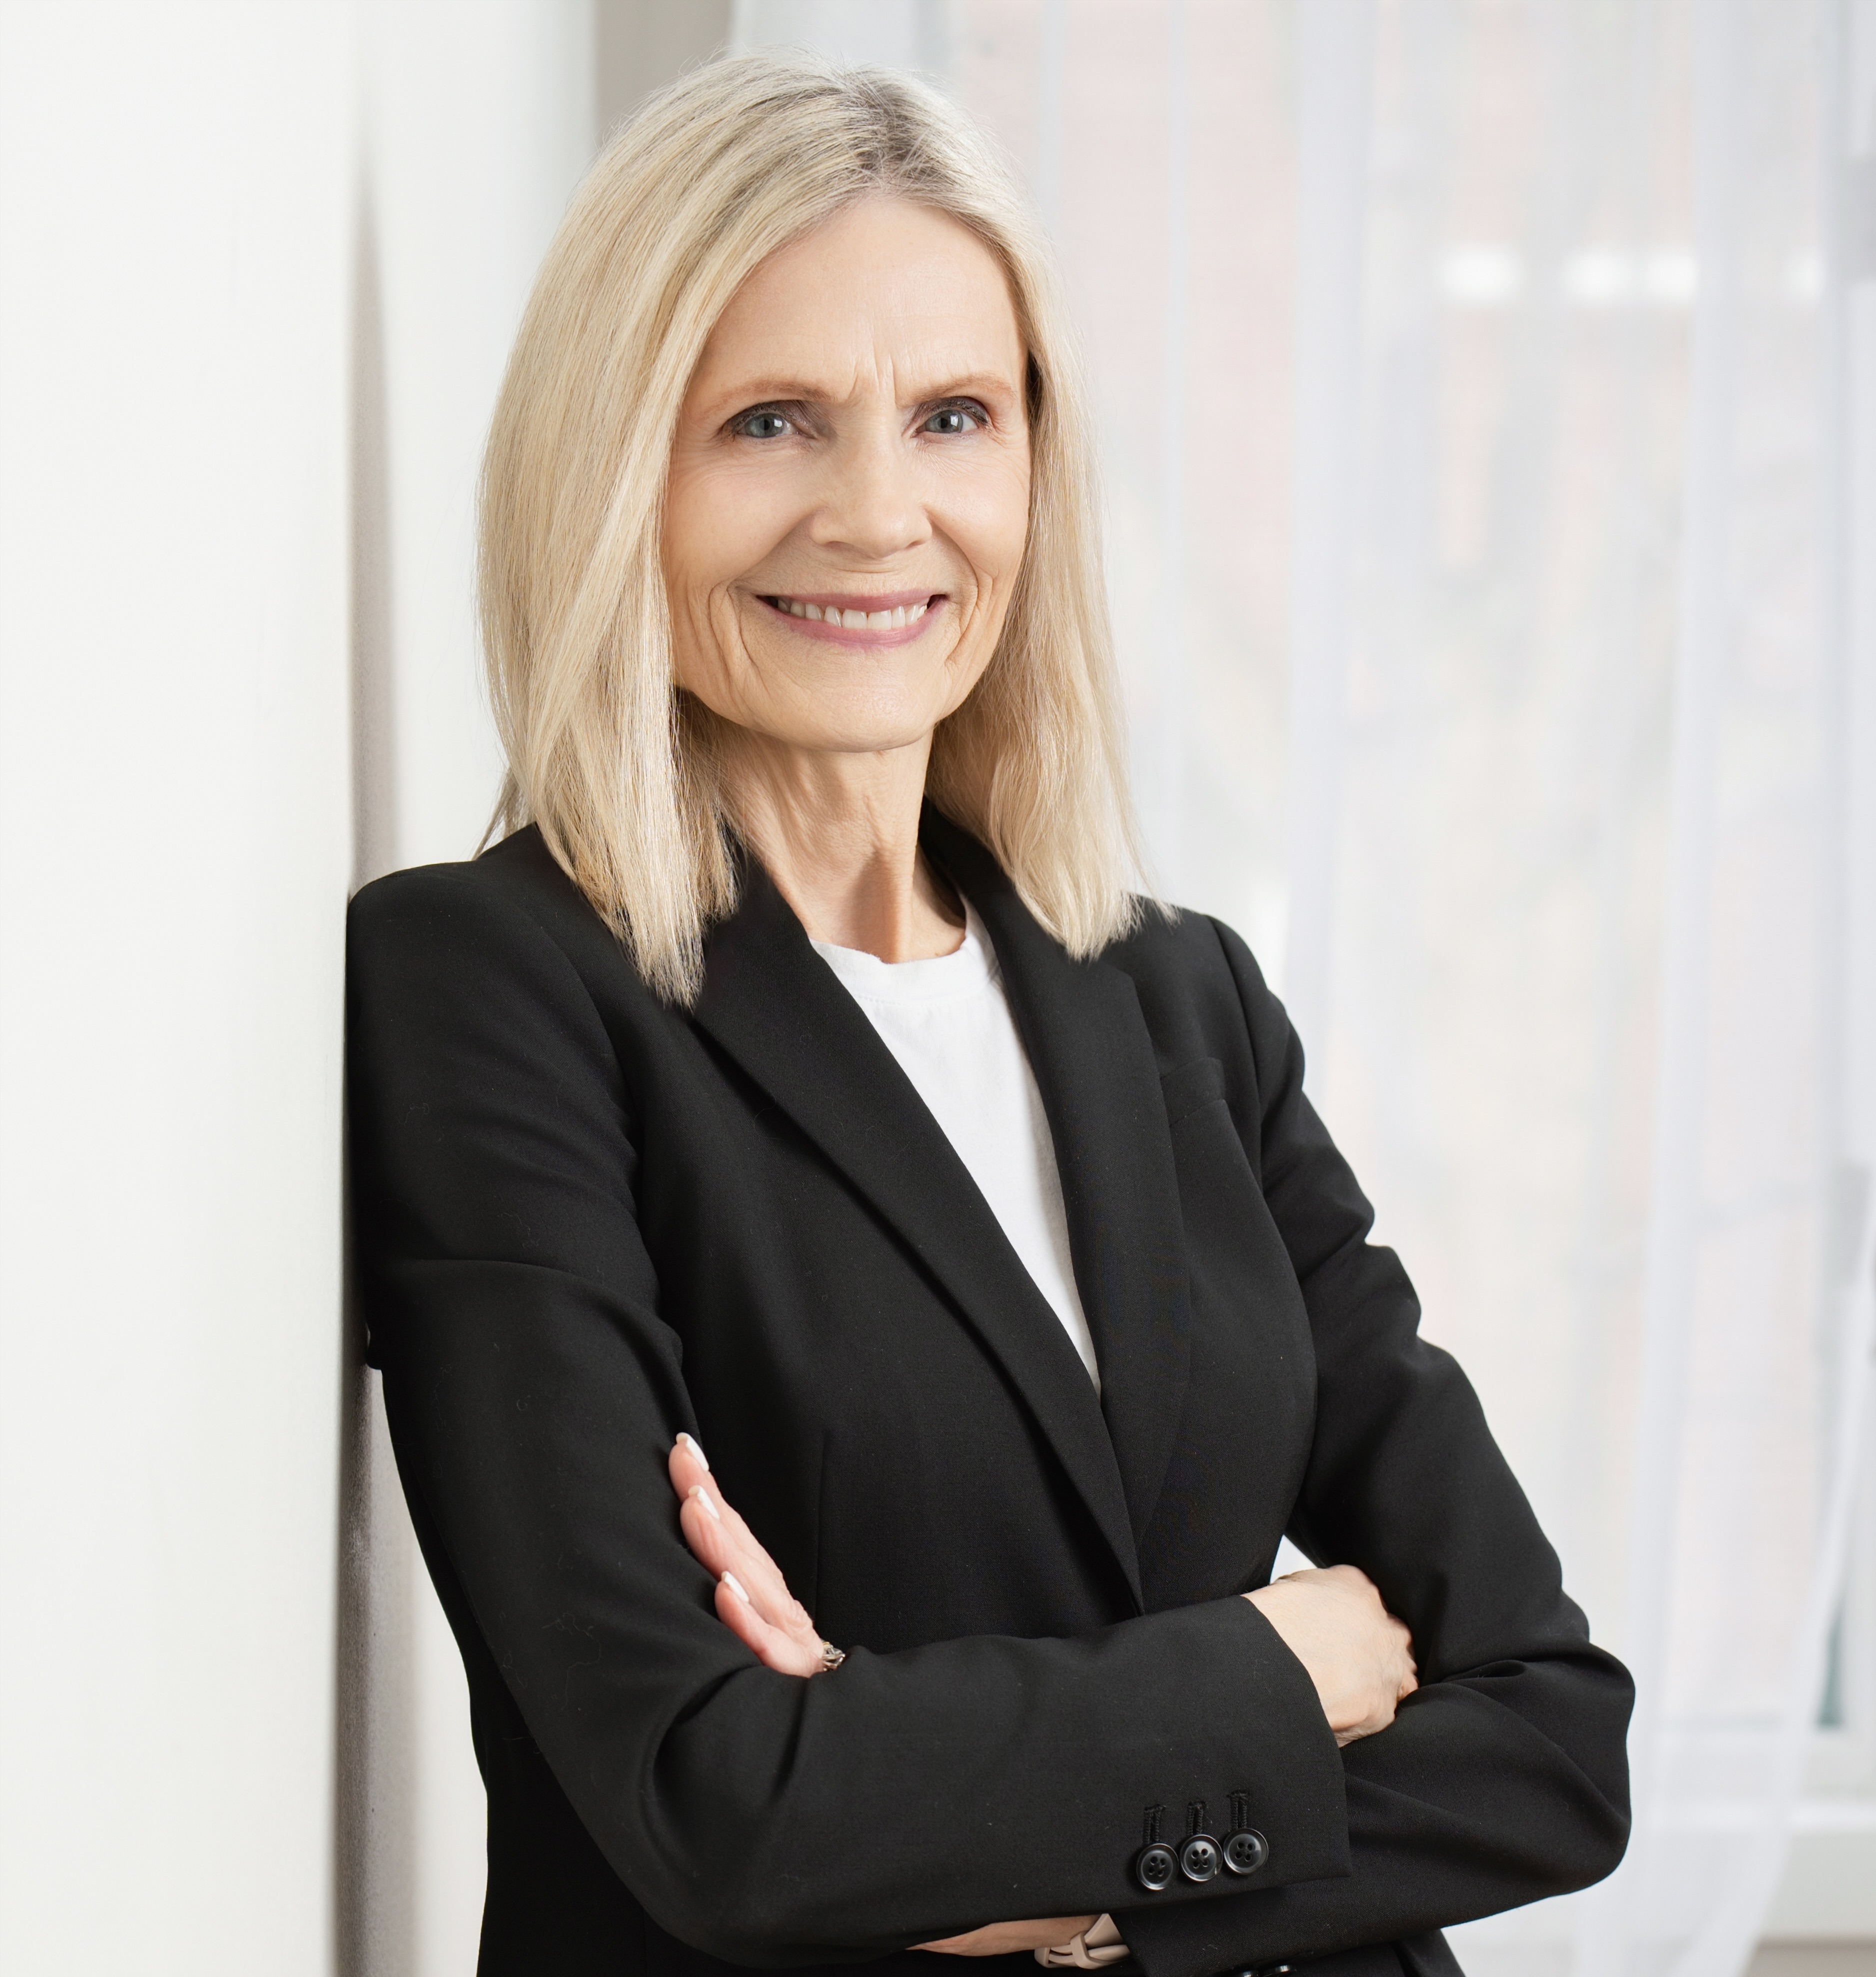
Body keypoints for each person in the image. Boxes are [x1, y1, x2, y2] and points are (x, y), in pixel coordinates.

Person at [346, 53, 1632, 1977]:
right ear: (618, 470)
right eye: (772, 420)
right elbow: (718, 1799)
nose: (881, 514)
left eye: (954, 414)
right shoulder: (497, 987)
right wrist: (1288, 1667)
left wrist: (1070, 1879)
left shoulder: (1179, 997)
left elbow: (1550, 1734)